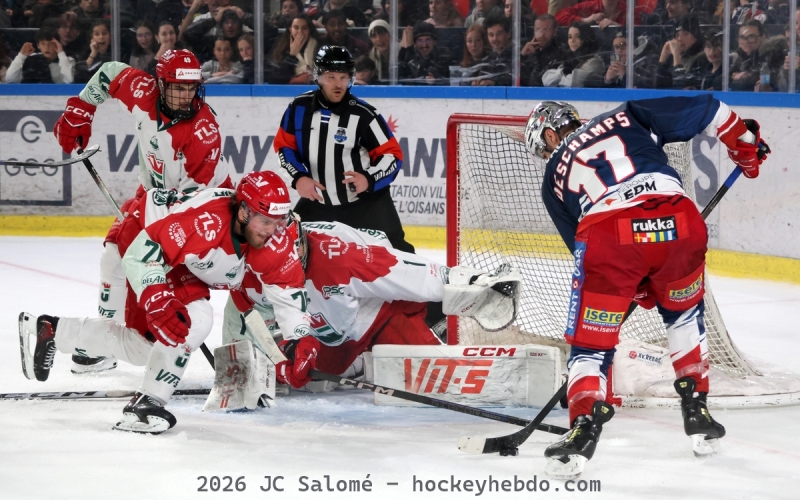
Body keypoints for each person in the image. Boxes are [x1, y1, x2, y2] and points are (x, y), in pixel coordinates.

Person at [523, 97, 769, 478]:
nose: (546, 155)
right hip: (678, 220)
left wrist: (635, 286)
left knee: (591, 345)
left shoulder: (552, 176)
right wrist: (743, 140)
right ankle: (697, 410)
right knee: (684, 316)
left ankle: (583, 428)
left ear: (551, 135)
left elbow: (582, 248)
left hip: (610, 236)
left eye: (543, 147)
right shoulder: (626, 115)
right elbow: (708, 108)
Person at [19, 171, 305, 434]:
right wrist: (157, 298)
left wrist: (298, 339)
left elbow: (287, 292)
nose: (271, 230)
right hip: (146, 237)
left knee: (142, 348)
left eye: (277, 222)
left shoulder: (274, 239)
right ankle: (145, 406)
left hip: (181, 259)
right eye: (265, 221)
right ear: (243, 211)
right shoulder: (206, 223)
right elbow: (144, 251)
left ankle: (53, 330)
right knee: (194, 318)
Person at [51, 49, 232, 374]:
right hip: (154, 196)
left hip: (204, 210)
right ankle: (103, 341)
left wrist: (156, 249)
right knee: (112, 256)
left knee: (153, 268)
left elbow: (193, 206)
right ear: (160, 85)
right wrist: (81, 109)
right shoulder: (142, 91)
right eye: (177, 87)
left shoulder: (202, 133)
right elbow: (109, 72)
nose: (185, 96)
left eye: (191, 88)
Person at [224, 218, 519, 388]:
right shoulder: (252, 270)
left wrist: (473, 286)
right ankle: (362, 361)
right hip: (334, 333)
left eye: (295, 251)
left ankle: (428, 324)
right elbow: (243, 310)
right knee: (307, 380)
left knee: (439, 380)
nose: (289, 262)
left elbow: (410, 273)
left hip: (380, 312)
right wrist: (241, 365)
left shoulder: (339, 258)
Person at [274, 45, 414, 255]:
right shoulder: (298, 108)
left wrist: (369, 179)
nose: (338, 84)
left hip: (366, 204)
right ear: (318, 77)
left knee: (399, 255)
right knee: (290, 252)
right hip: (318, 204)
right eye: (331, 77)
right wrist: (298, 178)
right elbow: (284, 147)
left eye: (343, 77)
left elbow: (392, 156)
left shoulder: (365, 115)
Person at [542, 21, 604, 87]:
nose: (572, 41)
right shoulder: (569, 58)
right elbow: (546, 80)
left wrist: (559, 78)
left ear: (586, 38)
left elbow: (572, 83)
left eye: (578, 36)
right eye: (570, 37)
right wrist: (563, 72)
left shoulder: (594, 61)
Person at [5, 28, 74, 83]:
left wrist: (61, 53)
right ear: (38, 45)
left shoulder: (67, 60)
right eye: (43, 44)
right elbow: (10, 79)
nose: (47, 47)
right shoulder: (30, 60)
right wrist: (21, 56)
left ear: (57, 44)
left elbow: (69, 80)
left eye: (50, 44)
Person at [266, 13, 320, 84]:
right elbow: (276, 78)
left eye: (304, 28)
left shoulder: (319, 46)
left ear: (309, 30)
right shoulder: (280, 47)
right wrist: (292, 55)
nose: (300, 32)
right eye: (296, 28)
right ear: (290, 29)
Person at [655, 15, 705, 89]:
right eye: (677, 35)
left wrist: (676, 56)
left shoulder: (704, 58)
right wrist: (662, 60)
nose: (680, 39)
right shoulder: (673, 58)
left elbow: (682, 88)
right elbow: (659, 87)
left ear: (695, 37)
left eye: (685, 34)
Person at [520, 13, 568, 86]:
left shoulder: (561, 53)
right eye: (538, 30)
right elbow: (514, 79)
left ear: (555, 32)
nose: (541, 35)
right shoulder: (528, 51)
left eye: (546, 30)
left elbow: (538, 82)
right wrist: (522, 56)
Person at [474, 11, 511, 86]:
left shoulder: (516, 57)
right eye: (491, 35)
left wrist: (495, 83)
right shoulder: (487, 60)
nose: (495, 39)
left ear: (508, 34)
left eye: (499, 34)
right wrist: (477, 82)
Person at [73, 19, 111, 83]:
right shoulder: (85, 55)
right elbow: (78, 78)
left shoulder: (119, 54)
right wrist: (93, 53)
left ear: (110, 36)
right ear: (92, 37)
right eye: (97, 34)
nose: (101, 37)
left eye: (105, 33)